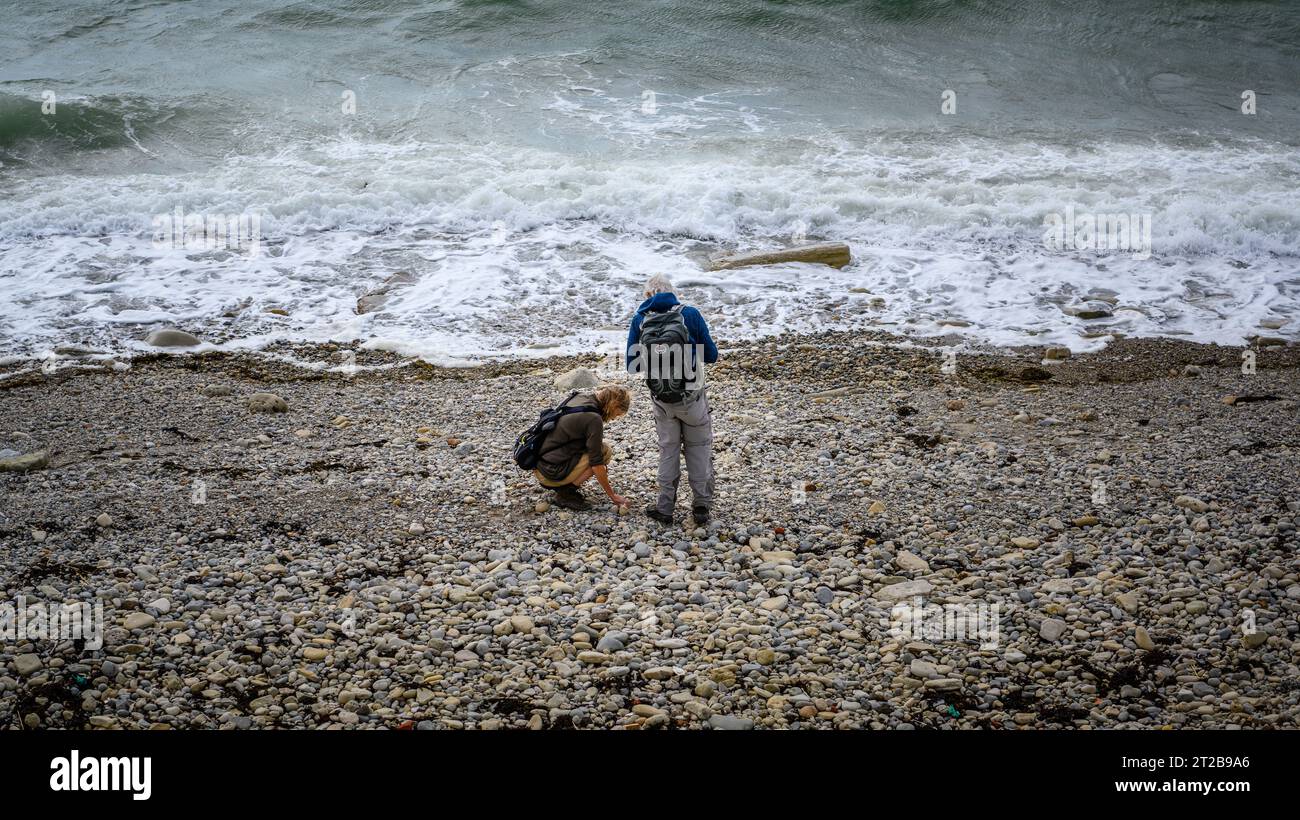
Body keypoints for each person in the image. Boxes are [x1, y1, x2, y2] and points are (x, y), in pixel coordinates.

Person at [626, 274, 719, 525]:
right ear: (673, 293)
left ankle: (665, 508)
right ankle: (701, 506)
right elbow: (711, 356)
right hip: (692, 396)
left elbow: (632, 366)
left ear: (648, 296)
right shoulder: (690, 314)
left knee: (668, 451)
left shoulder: (640, 319)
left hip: (662, 400)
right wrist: (686, 353)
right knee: (698, 449)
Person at [532, 385, 631, 511]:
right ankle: (566, 494)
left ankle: (566, 486)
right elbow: (596, 463)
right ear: (614, 405)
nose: (612, 419)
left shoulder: (581, 397)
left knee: (598, 449)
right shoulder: (593, 418)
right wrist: (612, 496)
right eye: (616, 415)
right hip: (550, 473)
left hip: (541, 464)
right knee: (604, 452)